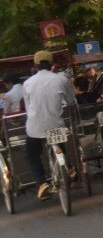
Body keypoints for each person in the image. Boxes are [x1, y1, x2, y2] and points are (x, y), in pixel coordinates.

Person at [22, 51, 77, 200]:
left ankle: (41, 183)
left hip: (35, 127)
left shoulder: (27, 83)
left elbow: (28, 108)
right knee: (58, 140)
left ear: (35, 65)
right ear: (52, 64)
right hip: (56, 124)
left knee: (31, 153)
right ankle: (69, 168)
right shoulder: (60, 80)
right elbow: (71, 101)